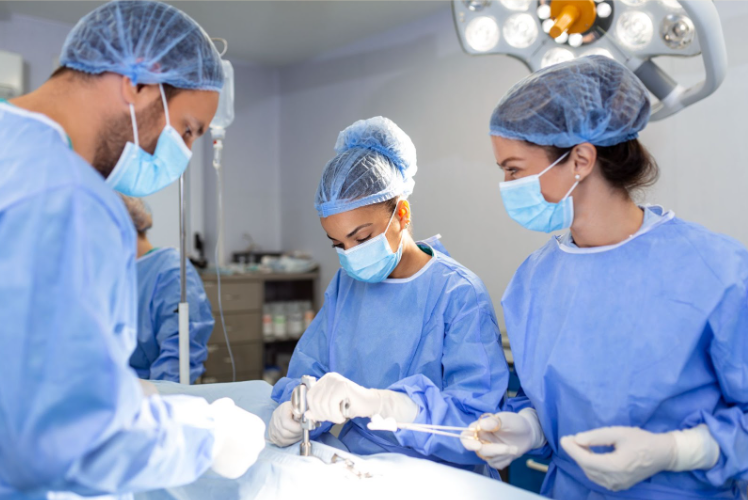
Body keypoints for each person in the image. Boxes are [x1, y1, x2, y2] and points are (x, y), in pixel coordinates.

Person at [0, 2, 264, 498]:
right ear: (139, 83)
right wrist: (207, 441)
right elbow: (66, 440)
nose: (181, 155)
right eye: (187, 129)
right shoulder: (69, 197)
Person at [460, 56, 748, 499]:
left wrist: (674, 450)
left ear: (580, 159)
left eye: (513, 169)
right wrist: (530, 427)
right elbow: (560, 401)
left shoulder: (717, 271)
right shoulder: (534, 281)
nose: (506, 185)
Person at [267, 116, 510, 477]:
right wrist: (295, 408)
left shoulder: (458, 294)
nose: (350, 254)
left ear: (402, 214)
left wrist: (387, 405)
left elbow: (477, 422)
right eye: (339, 244)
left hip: (438, 477)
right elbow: (309, 371)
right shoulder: (346, 285)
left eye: (362, 238)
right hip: (356, 469)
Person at [120, 195, 214, 384]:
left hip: (153, 393)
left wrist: (158, 398)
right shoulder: (118, 272)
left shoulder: (171, 271)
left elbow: (179, 357)